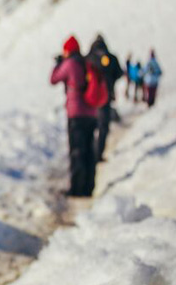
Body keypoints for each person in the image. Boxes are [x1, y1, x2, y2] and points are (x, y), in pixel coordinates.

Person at [51, 35, 98, 197]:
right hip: (92, 112)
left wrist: (59, 63)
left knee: (77, 151)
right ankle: (89, 187)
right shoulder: (85, 62)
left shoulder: (69, 64)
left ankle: (77, 189)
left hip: (76, 113)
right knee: (89, 151)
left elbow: (54, 78)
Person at [87, 34, 123, 162]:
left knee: (89, 127)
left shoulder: (88, 58)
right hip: (105, 97)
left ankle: (90, 153)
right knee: (103, 126)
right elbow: (120, 73)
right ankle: (98, 154)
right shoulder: (111, 57)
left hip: (89, 100)